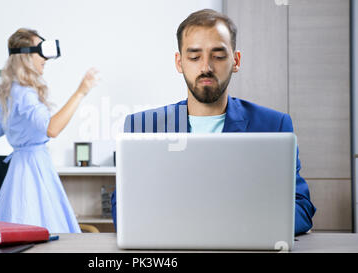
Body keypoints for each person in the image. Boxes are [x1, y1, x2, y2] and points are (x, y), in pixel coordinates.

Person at [111, 9, 316, 235]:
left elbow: (301, 209)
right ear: (179, 62)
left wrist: (235, 229)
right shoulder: (142, 127)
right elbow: (123, 208)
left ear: (235, 61)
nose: (206, 67)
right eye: (194, 57)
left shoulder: (274, 125)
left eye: (218, 56)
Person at [0, 28, 99, 233]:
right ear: (26, 56)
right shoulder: (25, 94)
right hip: (34, 170)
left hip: (17, 171)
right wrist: (81, 91)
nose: (45, 59)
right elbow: (52, 129)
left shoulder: (10, 92)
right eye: (40, 51)